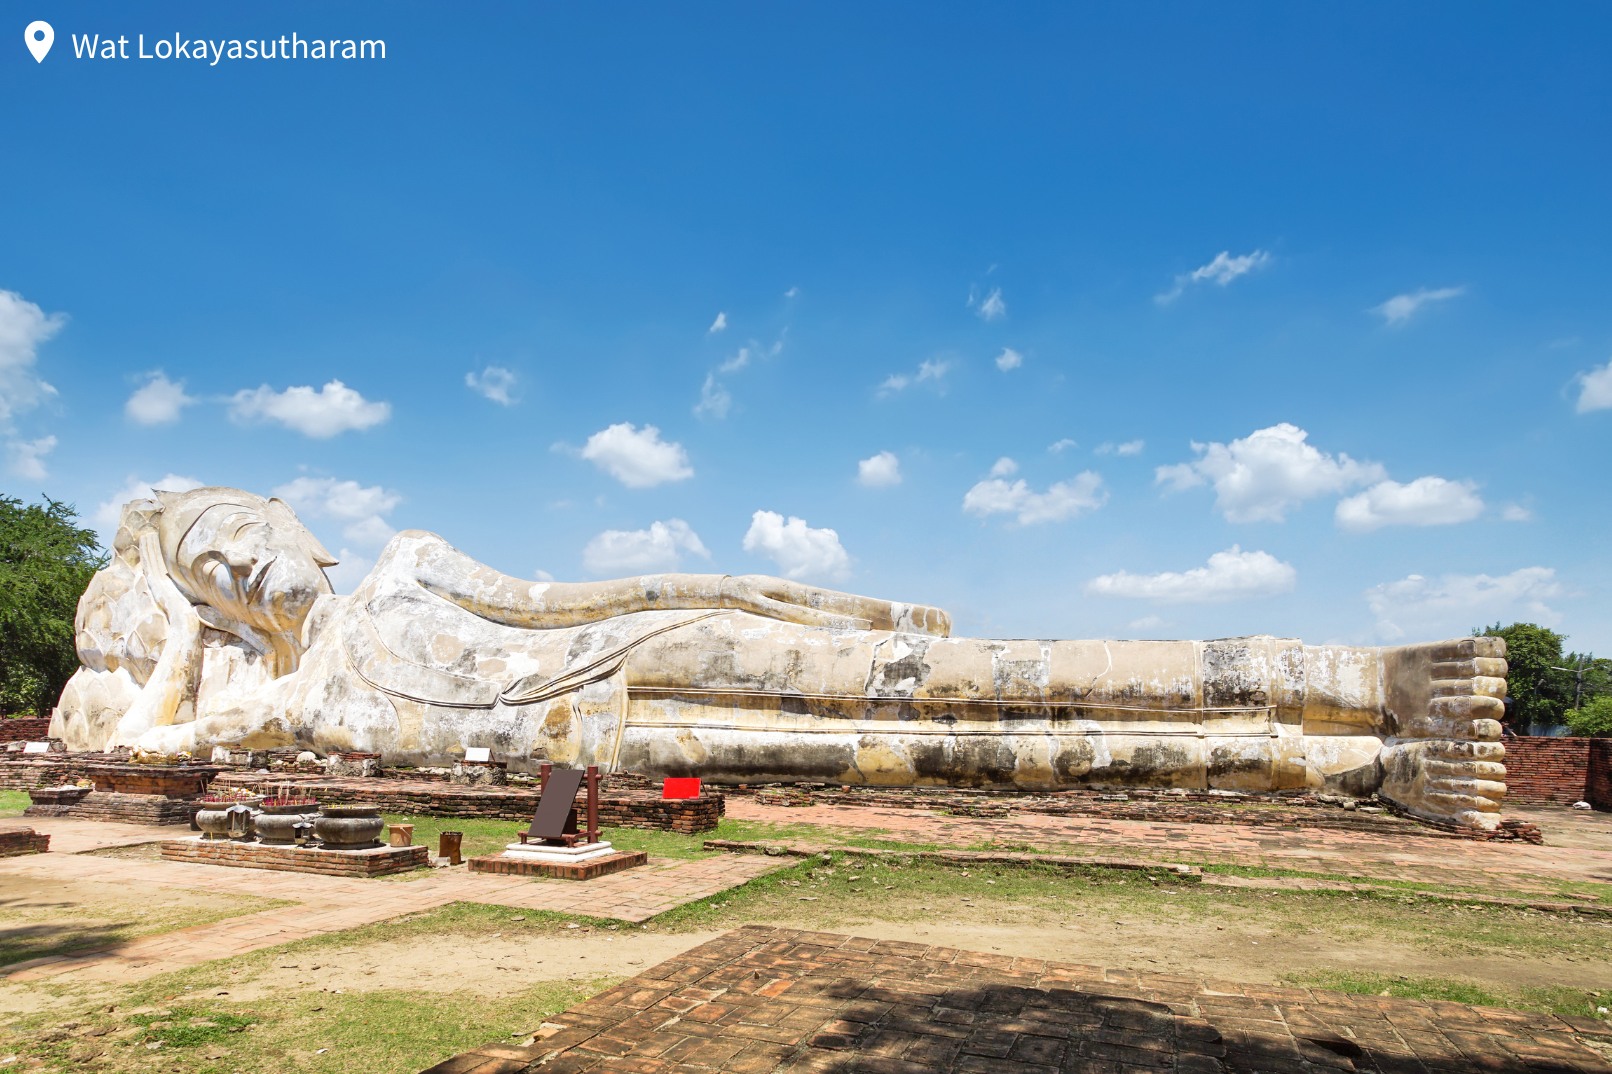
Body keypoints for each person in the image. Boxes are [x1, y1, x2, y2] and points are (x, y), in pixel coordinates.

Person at [51, 487, 1509, 830]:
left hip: (634, 644)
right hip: (584, 738)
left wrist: (772, 590)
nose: (254, 566)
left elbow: (577, 592)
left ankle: (1345, 673)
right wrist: (178, 641)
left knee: (944, 686)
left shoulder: (406, 566)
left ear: (299, 517)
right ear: (217, 614)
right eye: (220, 575)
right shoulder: (277, 696)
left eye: (249, 532)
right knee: (911, 747)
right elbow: (145, 750)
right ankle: (1351, 757)